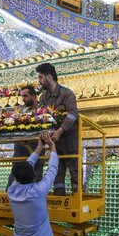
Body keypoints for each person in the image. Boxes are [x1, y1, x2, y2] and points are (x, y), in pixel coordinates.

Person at [36, 63, 79, 195]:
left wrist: (60, 131)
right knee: (56, 170)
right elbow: (41, 115)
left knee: (74, 169)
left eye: (40, 77)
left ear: (49, 77)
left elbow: (73, 114)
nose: (39, 80)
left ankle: (76, 197)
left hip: (69, 138)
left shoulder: (67, 93)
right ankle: (59, 201)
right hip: (53, 140)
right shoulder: (43, 97)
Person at [7, 85, 44, 187]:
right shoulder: (19, 111)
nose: (23, 99)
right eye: (22, 96)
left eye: (25, 96)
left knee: (36, 176)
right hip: (20, 149)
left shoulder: (43, 110)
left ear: (34, 96)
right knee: (15, 177)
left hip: (36, 148)